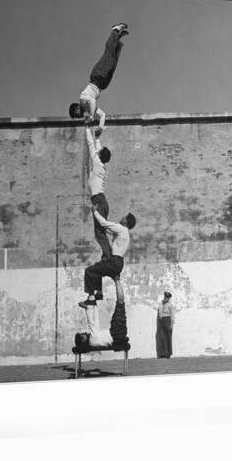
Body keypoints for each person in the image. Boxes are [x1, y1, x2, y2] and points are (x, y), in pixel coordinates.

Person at [69, 23, 129, 135]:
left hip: (97, 76)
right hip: (103, 84)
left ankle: (115, 31)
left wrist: (91, 116)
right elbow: (102, 115)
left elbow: (92, 101)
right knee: (113, 63)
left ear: (77, 109)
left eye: (77, 115)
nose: (80, 116)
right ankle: (117, 38)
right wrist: (100, 127)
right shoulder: (89, 109)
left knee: (109, 55)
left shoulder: (82, 99)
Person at [79, 206, 136, 307]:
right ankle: (99, 294)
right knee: (99, 268)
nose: (122, 217)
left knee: (90, 271)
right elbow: (108, 230)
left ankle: (91, 298)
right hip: (119, 264)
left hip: (113, 262)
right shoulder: (126, 233)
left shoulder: (121, 228)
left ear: (126, 221)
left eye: (124, 217)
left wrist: (95, 212)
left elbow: (104, 223)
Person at [85, 124, 112, 272]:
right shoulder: (100, 164)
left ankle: (108, 256)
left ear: (100, 155)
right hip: (102, 200)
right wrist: (98, 137)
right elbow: (97, 147)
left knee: (99, 233)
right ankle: (106, 255)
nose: (98, 150)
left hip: (98, 201)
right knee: (101, 231)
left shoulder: (96, 163)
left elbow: (91, 145)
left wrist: (87, 128)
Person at [75, 280, 129, 350]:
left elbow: (95, 322)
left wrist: (92, 305)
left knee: (120, 304)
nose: (84, 333)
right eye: (82, 334)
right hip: (116, 333)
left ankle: (90, 304)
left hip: (118, 335)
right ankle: (117, 279)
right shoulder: (93, 339)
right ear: (83, 339)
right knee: (120, 303)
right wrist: (89, 308)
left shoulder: (93, 341)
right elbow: (92, 323)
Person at [156, 291, 175, 359]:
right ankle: (161, 354)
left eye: (168, 298)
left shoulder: (170, 305)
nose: (166, 299)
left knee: (168, 337)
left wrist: (171, 324)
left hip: (168, 320)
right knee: (161, 337)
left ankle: (168, 354)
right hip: (161, 321)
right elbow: (159, 312)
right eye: (165, 297)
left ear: (169, 298)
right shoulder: (160, 304)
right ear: (164, 297)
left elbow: (172, 315)